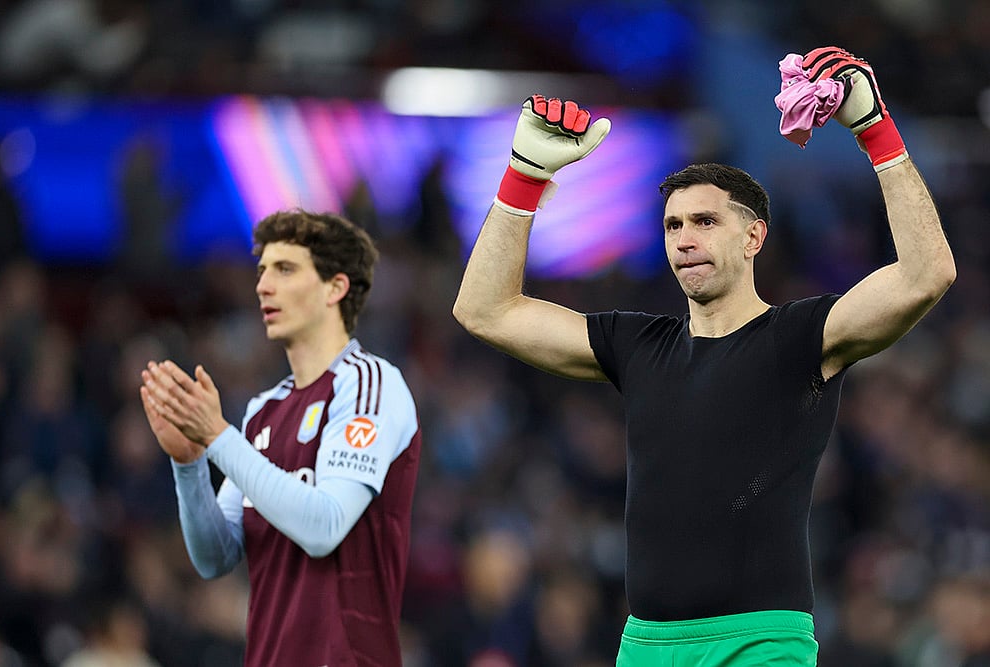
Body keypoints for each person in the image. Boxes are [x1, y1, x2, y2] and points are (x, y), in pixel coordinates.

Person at [453, 47, 955, 666]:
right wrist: (524, 176)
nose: (685, 238)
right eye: (672, 226)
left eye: (705, 221)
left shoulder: (802, 336)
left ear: (753, 236)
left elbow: (926, 275)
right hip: (645, 645)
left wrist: (873, 128)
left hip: (761, 643)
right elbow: (484, 310)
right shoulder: (636, 345)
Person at [139, 210, 422, 666]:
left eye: (285, 270)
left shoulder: (370, 384)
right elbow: (215, 558)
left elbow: (324, 528)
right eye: (262, 271)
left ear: (336, 287)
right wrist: (189, 464)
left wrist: (217, 436)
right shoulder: (263, 411)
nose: (263, 286)